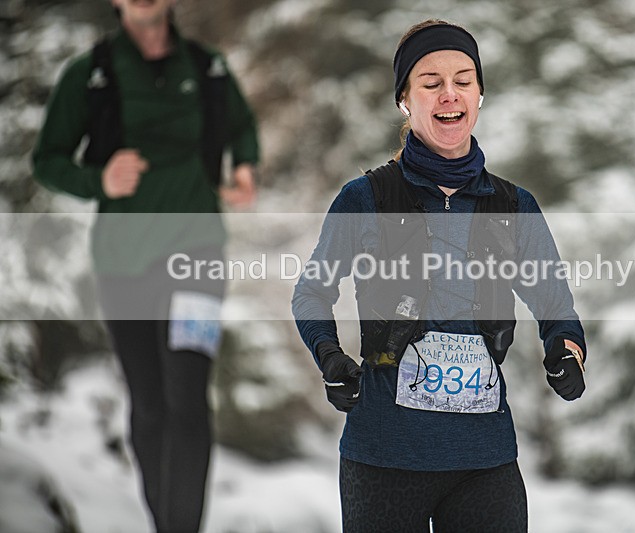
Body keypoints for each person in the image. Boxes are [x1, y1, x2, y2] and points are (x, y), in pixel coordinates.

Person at [293, 19, 586, 533]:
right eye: (431, 83)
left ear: (479, 94)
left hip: (484, 460)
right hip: (384, 457)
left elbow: (555, 303)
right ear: (404, 100)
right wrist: (330, 356)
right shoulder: (365, 199)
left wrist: (566, 350)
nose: (449, 94)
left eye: (463, 80)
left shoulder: (513, 206)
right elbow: (312, 292)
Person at [31, 0, 259, 531]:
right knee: (150, 403)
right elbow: (47, 161)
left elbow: (241, 125)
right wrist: (100, 179)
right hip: (122, 262)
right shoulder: (90, 74)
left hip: (197, 255)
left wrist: (245, 166)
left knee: (187, 395)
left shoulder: (207, 66)